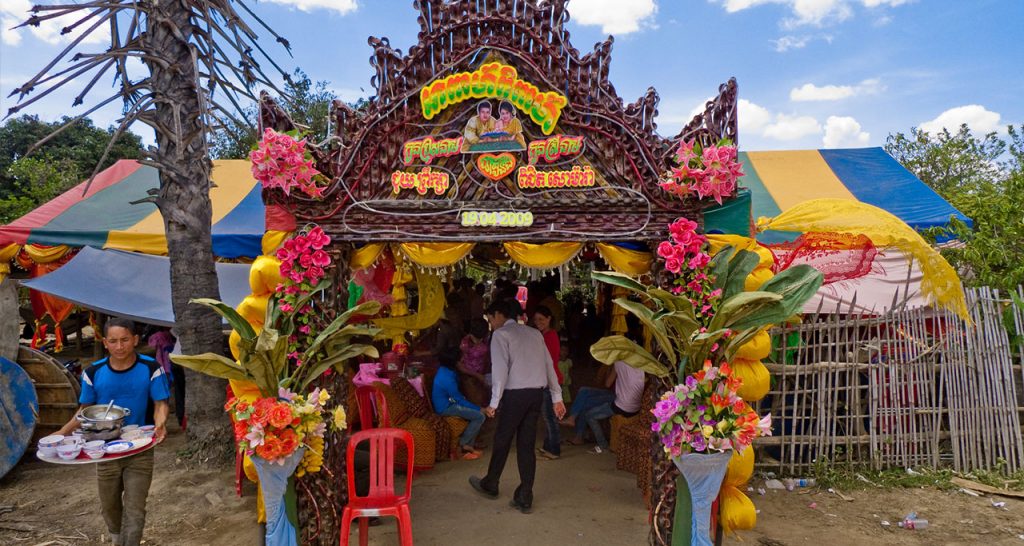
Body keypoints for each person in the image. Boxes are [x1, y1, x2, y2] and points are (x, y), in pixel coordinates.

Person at [57, 317, 170, 546]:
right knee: (109, 505)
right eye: (114, 341)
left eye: (125, 340)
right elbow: (85, 411)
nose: (120, 346)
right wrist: (61, 433)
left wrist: (160, 423)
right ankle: (117, 540)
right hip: (104, 448)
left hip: (140, 447)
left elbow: (161, 403)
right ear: (105, 342)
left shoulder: (151, 368)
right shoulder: (93, 372)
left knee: (136, 506)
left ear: (135, 340)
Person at [469, 299, 565, 514]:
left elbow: (500, 372)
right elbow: (549, 365)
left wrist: (494, 402)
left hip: (515, 395)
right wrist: (556, 396)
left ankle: (491, 483)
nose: (491, 323)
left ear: (500, 315)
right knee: (526, 444)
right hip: (535, 395)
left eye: (491, 318)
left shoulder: (501, 335)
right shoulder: (534, 334)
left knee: (502, 439)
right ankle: (525, 495)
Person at [564, 358, 645, 454]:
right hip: (636, 406)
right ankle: (577, 431)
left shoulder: (618, 363)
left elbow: (607, 383)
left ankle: (602, 445)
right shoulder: (642, 365)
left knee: (588, 413)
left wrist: (612, 368)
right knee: (584, 392)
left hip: (621, 404)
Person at [432, 347, 486, 460]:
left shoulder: (445, 370)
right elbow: (459, 400)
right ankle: (463, 445)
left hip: (449, 402)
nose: (463, 360)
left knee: (475, 413)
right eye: (461, 359)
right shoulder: (447, 379)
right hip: (446, 407)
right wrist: (479, 408)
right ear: (455, 362)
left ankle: (468, 447)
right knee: (479, 416)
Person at [532, 306, 562, 460]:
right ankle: (548, 446)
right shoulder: (545, 335)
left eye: (541, 319)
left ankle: (555, 449)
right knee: (548, 416)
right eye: (536, 320)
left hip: (550, 381)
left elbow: (549, 361)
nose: (538, 322)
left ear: (549, 318)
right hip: (548, 380)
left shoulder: (549, 336)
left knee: (550, 417)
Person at [457, 317, 491, 408]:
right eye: (476, 338)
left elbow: (487, 358)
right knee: (474, 401)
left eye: (480, 338)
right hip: (468, 376)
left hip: (482, 374)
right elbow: (460, 362)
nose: (478, 341)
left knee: (482, 399)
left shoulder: (487, 340)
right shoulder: (465, 343)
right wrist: (475, 375)